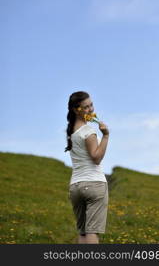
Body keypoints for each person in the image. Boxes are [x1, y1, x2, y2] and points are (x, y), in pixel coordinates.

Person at [64, 91, 109, 244]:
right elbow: (96, 157)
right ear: (77, 110)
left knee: (82, 233)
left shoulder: (71, 132)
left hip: (75, 186)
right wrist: (105, 136)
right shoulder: (88, 131)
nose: (91, 109)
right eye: (86, 107)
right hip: (94, 184)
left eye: (91, 105)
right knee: (92, 233)